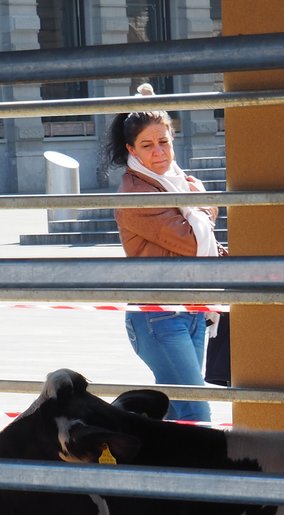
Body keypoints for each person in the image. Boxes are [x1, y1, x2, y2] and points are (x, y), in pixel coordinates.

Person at [106, 110, 224, 423]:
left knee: (175, 410)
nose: (159, 151)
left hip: (193, 310)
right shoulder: (137, 193)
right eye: (147, 145)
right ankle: (204, 472)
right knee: (196, 410)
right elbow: (192, 242)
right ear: (131, 150)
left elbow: (203, 242)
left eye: (163, 141)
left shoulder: (178, 184)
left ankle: (155, 468)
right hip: (158, 315)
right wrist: (207, 210)